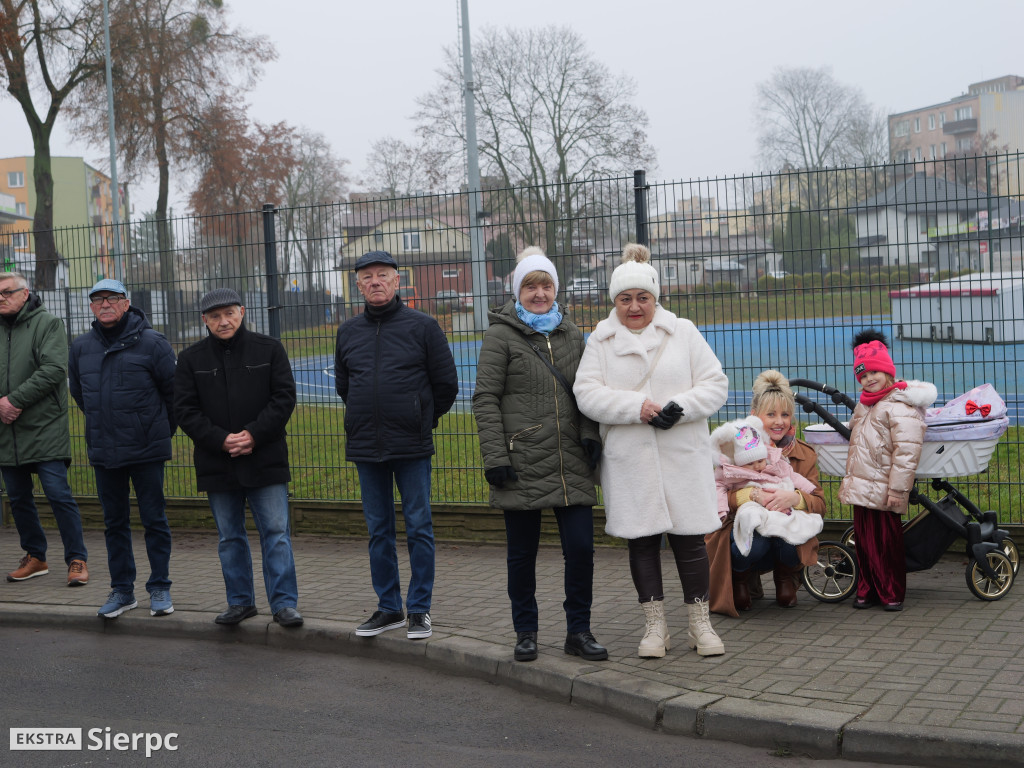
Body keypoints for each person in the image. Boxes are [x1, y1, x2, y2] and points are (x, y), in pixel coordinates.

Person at [574, 244, 728, 658]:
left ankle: (700, 624)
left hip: (682, 454)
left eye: (643, 297)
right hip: (632, 460)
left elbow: (715, 384)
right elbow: (586, 393)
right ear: (614, 302)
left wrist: (681, 408)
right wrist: (634, 408)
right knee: (642, 542)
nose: (634, 306)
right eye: (625, 299)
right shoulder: (601, 341)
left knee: (690, 541)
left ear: (656, 298)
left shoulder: (684, 332)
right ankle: (655, 627)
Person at [473, 247, 607, 663]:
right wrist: (495, 456)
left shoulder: (571, 333)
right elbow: (485, 398)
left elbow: (587, 391)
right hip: (521, 462)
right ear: (518, 291)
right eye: (530, 286)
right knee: (522, 554)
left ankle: (578, 631)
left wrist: (589, 434)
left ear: (555, 288)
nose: (539, 293)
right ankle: (526, 631)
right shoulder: (500, 335)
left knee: (581, 549)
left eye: (546, 284)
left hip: (570, 463)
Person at [335, 251, 458, 640]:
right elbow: (345, 386)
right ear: (358, 285)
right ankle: (389, 608)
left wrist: (422, 418)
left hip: (412, 445)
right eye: (367, 277)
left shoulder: (423, 327)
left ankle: (419, 609)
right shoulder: (348, 332)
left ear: (397, 281)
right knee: (378, 530)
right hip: (366, 446)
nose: (375, 281)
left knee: (419, 527)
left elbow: (446, 385)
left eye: (382, 275)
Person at [174, 288, 304, 628]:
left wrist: (253, 435)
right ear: (204, 320)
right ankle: (240, 602)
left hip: (265, 457)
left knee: (276, 533)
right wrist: (221, 440)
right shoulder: (190, 360)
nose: (223, 321)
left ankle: (284, 604)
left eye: (229, 313)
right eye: (214, 316)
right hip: (217, 461)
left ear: (242, 312)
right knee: (230, 537)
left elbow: (284, 398)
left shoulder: (270, 349)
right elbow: (185, 410)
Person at [69, 279, 176, 618]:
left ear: (126, 304)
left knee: (154, 520)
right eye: (97, 299)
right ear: (90, 307)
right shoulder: (81, 347)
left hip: (147, 449)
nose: (105, 304)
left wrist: (156, 430)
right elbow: (80, 394)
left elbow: (174, 394)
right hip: (105, 450)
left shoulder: (153, 343)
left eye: (112, 299)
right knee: (114, 523)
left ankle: (159, 587)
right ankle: (122, 590)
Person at [706, 370, 827, 616]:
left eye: (785, 414)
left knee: (790, 537)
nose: (779, 421)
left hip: (783, 522)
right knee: (755, 541)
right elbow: (715, 492)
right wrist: (747, 496)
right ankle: (740, 579)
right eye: (770, 414)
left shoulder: (805, 454)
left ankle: (786, 579)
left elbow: (820, 503)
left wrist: (796, 497)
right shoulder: (733, 448)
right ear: (754, 417)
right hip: (742, 527)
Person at [0, 271, 89, 587]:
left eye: (7, 292)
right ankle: (35, 556)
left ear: (25, 293)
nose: (1, 298)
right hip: (7, 432)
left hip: (44, 427)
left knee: (57, 494)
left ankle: (77, 559)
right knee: (18, 497)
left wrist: (14, 400)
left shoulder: (47, 323)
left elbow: (53, 369)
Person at [839, 329, 936, 611]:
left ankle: (891, 591)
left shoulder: (900, 405)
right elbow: (856, 432)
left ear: (887, 372)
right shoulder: (866, 404)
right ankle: (867, 588)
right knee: (865, 542)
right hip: (863, 484)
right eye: (863, 375)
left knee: (887, 543)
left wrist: (898, 489)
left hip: (884, 487)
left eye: (874, 373)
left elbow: (906, 452)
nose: (869, 379)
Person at [709, 415, 821, 561]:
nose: (756, 466)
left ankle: (793, 532)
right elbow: (718, 487)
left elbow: (792, 476)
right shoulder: (732, 472)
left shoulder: (775, 463)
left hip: (778, 505)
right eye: (750, 463)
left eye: (760, 461)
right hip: (751, 505)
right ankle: (750, 536)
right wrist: (722, 510)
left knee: (791, 524)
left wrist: (807, 489)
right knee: (749, 513)